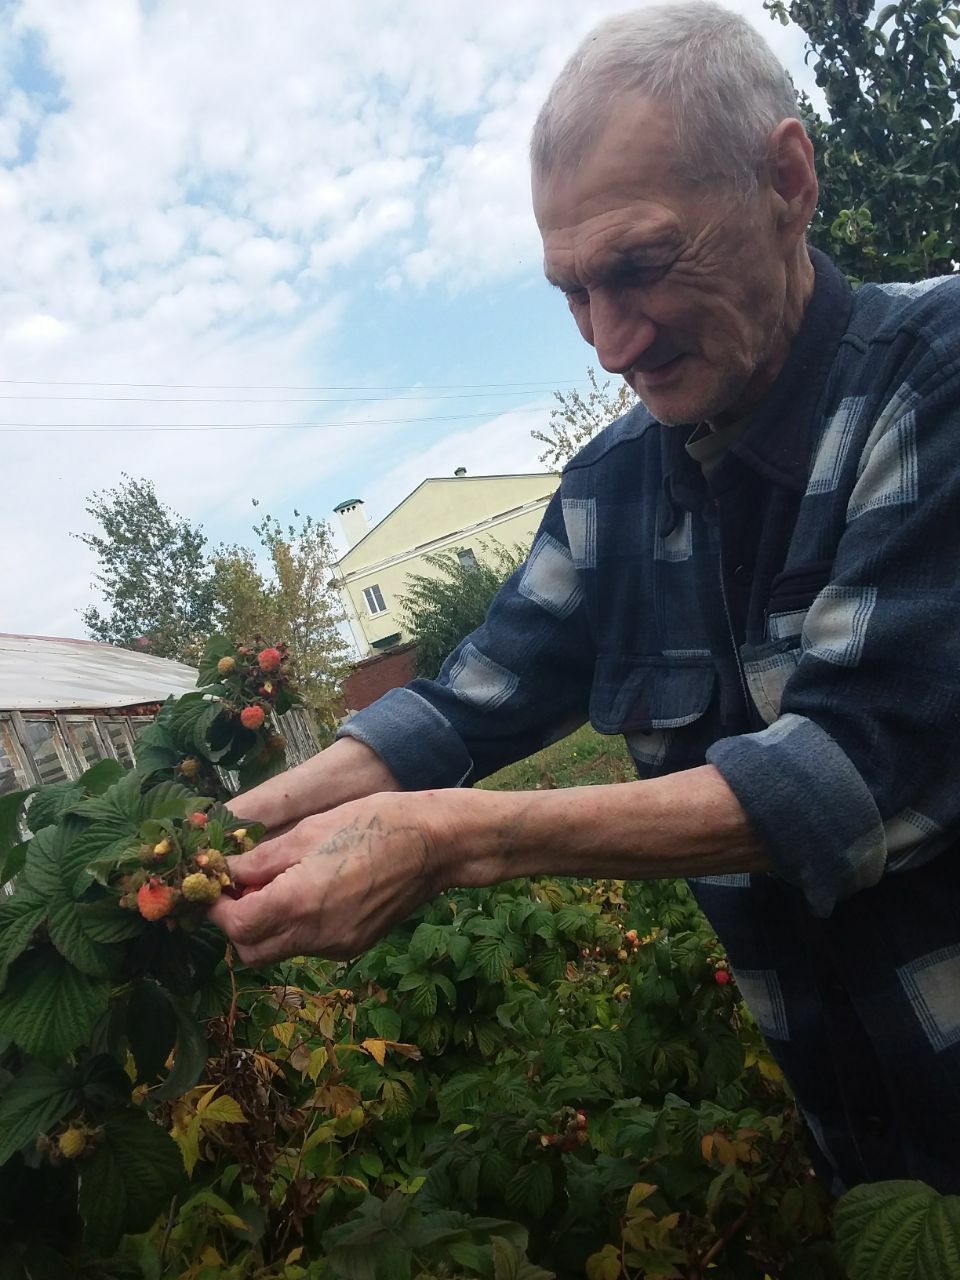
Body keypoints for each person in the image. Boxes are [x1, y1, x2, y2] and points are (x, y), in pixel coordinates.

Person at [210, 2, 960, 1195]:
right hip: (870, 1159)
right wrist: (216, 843)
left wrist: (453, 836)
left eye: (641, 266)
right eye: (573, 291)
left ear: (787, 179)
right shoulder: (619, 481)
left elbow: (846, 772)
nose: (610, 342)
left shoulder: (935, 376)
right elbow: (465, 707)